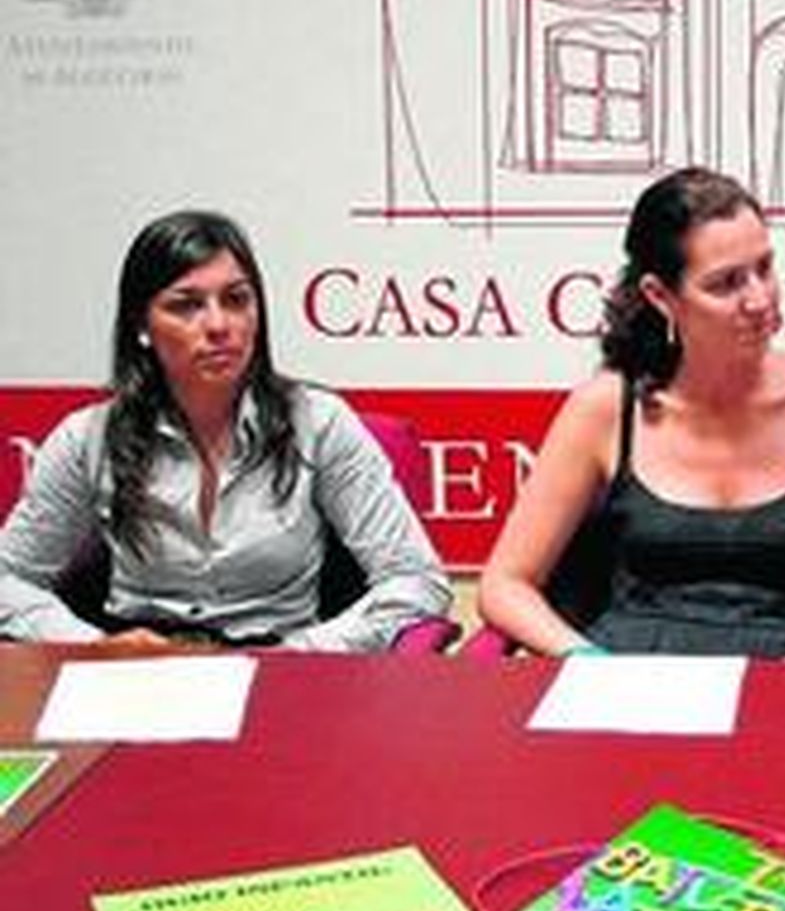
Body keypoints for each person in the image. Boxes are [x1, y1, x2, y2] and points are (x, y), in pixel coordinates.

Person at [479, 167, 785, 658]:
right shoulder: (608, 406)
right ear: (661, 296)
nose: (759, 299)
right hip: (630, 680)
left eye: (765, 268)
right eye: (726, 284)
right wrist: (586, 660)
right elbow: (504, 585)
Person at [0, 211, 452, 650]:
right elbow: (8, 580)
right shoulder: (88, 439)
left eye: (236, 300)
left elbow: (415, 581)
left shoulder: (318, 423)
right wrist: (93, 645)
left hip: (282, 661)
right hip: (140, 663)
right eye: (186, 305)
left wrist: (304, 651)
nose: (219, 325)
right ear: (141, 325)